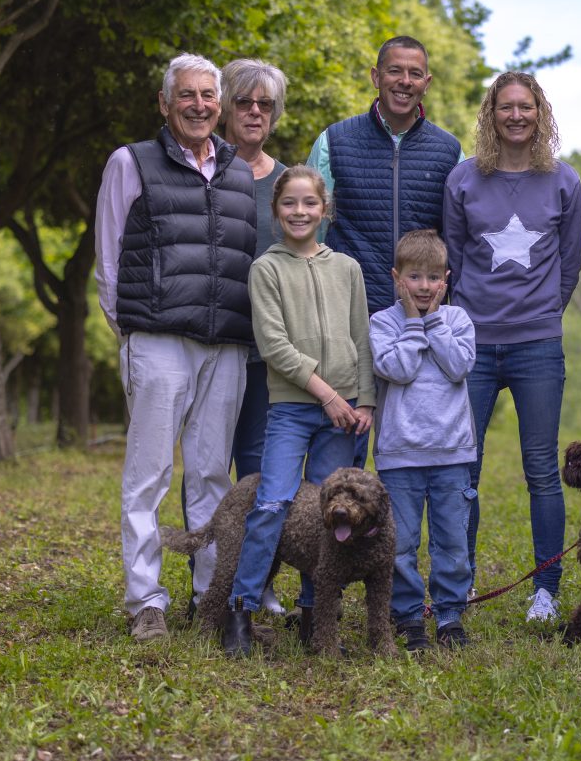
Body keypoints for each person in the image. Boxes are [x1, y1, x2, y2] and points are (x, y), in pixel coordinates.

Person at [95, 53, 258, 642]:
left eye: (208, 96)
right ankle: (146, 603)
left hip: (227, 346)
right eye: (185, 95)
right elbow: (108, 260)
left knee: (212, 475)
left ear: (220, 103)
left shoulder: (240, 171)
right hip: (159, 341)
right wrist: (134, 333)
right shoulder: (130, 162)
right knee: (149, 476)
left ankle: (209, 599)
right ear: (165, 103)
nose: (198, 105)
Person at [443, 71, 581, 624]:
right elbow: (452, 259)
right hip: (473, 346)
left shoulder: (562, 181)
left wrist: (544, 311)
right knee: (463, 469)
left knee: (542, 470)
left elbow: (570, 264)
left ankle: (545, 589)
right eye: (507, 107)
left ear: (539, 112)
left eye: (526, 107)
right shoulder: (463, 180)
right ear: (492, 113)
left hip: (536, 346)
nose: (517, 116)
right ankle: (461, 579)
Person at [219, 166, 374, 655]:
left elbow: (362, 339)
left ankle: (314, 617)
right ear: (276, 210)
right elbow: (274, 345)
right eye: (290, 203)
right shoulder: (266, 269)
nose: (300, 212)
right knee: (272, 504)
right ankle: (240, 611)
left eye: (310, 203)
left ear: (324, 210)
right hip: (293, 407)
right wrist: (326, 394)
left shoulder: (346, 268)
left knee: (332, 516)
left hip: (345, 412)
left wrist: (363, 398)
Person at [371, 229, 478, 651]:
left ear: (446, 280)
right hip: (400, 455)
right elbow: (397, 370)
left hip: (452, 452)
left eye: (434, 278)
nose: (424, 286)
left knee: (452, 539)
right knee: (401, 542)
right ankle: (408, 616)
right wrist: (414, 326)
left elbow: (457, 367)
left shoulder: (458, 320)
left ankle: (450, 615)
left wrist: (432, 322)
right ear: (397, 278)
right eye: (414, 277)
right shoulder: (382, 322)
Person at [307, 36, 462, 316]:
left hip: (424, 318)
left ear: (426, 84)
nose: (405, 81)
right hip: (348, 315)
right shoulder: (334, 142)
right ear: (376, 77)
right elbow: (310, 233)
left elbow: (459, 241)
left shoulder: (450, 152)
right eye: (394, 71)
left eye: (415, 74)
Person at [220, 58, 288, 483]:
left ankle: (253, 552)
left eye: (266, 103)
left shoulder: (289, 186)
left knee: (258, 465)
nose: (255, 111)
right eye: (244, 101)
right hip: (214, 345)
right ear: (225, 106)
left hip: (268, 353)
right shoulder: (200, 172)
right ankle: (205, 553)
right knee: (209, 462)